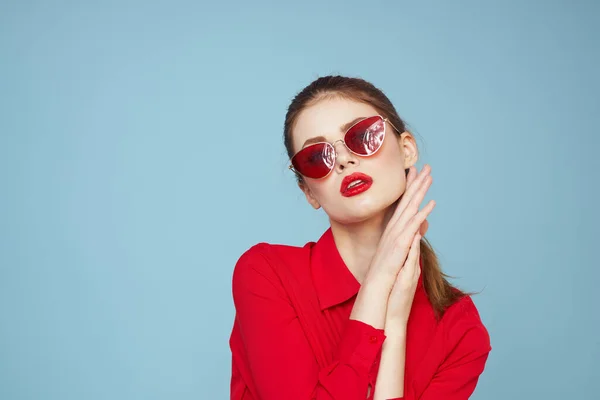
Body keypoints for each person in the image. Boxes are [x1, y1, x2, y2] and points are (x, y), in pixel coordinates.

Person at [229, 75, 491, 400]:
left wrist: (394, 328)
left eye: (363, 136)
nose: (343, 159)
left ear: (407, 149)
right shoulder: (266, 274)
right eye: (316, 157)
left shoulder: (459, 327)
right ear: (308, 192)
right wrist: (378, 283)